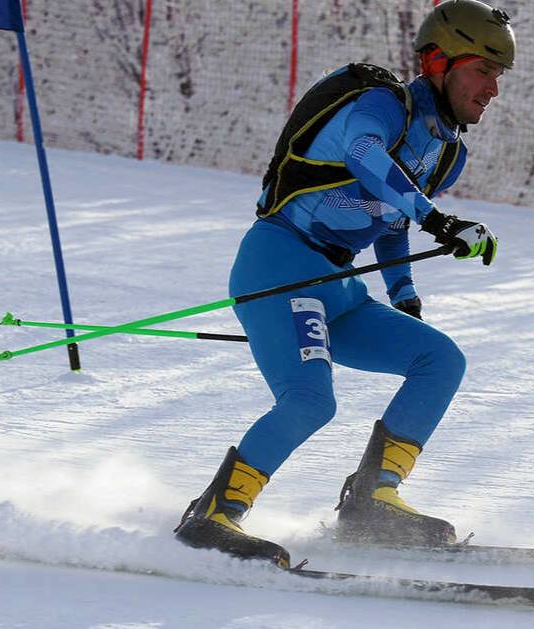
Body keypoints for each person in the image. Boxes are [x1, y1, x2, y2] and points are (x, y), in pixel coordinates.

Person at [174, 0, 516, 568]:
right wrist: (439, 220)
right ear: (438, 61)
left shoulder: (446, 150)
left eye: (498, 76)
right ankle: (213, 515)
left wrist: (405, 296)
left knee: (439, 360)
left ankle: (372, 501)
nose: (493, 89)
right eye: (483, 70)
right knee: (310, 400)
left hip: (339, 283)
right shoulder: (380, 106)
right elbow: (365, 158)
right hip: (280, 268)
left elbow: (391, 218)